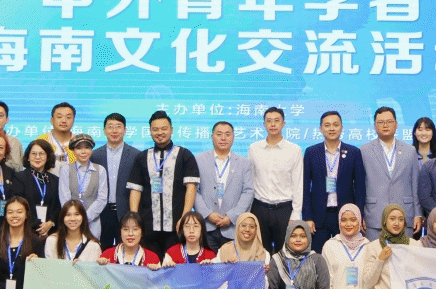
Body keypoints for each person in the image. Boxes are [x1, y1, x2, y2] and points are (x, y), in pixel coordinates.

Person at [127, 111, 200, 257]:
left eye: (164, 128)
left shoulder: (184, 155)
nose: (160, 132)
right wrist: (135, 219)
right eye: (155, 129)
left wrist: (185, 217)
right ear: (150, 131)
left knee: (174, 266)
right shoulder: (142, 157)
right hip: (148, 226)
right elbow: (135, 190)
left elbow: (191, 187)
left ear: (171, 130)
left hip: (176, 226)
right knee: (149, 265)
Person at [302, 111, 365, 253]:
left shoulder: (354, 152)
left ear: (342, 127)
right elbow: (305, 187)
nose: (332, 128)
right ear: (320, 129)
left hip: (346, 216)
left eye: (335, 125)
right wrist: (307, 217)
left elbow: (360, 187)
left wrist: (359, 215)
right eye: (327, 125)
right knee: (318, 255)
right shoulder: (311, 152)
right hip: (319, 216)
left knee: (346, 255)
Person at [248, 107, 305, 255]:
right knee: (260, 253)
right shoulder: (254, 148)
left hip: (284, 209)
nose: (273, 124)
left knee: (286, 253)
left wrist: (296, 214)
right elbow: (250, 181)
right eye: (269, 121)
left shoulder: (294, 150)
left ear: (283, 124)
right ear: (264, 124)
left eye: (277, 121)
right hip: (259, 208)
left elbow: (298, 184)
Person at [361, 106, 421, 241]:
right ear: (374, 126)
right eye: (380, 122)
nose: (385, 125)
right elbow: (360, 186)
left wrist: (418, 213)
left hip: (404, 215)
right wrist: (361, 214)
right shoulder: (364, 151)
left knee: (404, 253)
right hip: (374, 216)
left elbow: (415, 184)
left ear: (396, 124)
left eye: (389, 121)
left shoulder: (410, 150)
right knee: (376, 252)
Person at [196, 122, 255, 251]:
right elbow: (194, 191)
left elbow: (248, 192)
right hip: (206, 226)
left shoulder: (244, 163)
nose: (223, 138)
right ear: (212, 137)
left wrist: (232, 216)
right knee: (207, 262)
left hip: (233, 228)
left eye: (227, 134)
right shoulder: (199, 160)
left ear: (233, 138)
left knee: (231, 262)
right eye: (219, 134)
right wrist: (208, 214)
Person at [90, 113, 140, 251]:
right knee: (101, 249)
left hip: (125, 210)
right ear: (104, 130)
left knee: (126, 250)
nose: (114, 130)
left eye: (118, 126)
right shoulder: (95, 155)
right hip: (102, 212)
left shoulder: (136, 155)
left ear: (125, 130)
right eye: (110, 127)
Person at [59, 134, 109, 241]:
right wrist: (74, 217)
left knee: (92, 249)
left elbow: (102, 198)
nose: (83, 151)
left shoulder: (100, 170)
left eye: (87, 147)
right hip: (71, 222)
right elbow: (64, 197)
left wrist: (85, 217)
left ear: (91, 150)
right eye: (79, 148)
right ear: (73, 150)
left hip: (93, 223)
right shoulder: (66, 169)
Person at [16, 139, 59, 240]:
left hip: (51, 232)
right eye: (34, 153)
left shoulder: (55, 180)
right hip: (26, 231)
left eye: (42, 153)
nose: (37, 157)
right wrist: (39, 226)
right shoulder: (19, 178)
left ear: (48, 157)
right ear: (28, 157)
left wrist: (51, 223)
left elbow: (58, 206)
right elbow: (19, 204)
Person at [36, 102, 77, 166]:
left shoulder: (79, 142)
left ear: (73, 121)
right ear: (52, 120)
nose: (64, 121)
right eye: (59, 117)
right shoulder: (41, 141)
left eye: (68, 117)